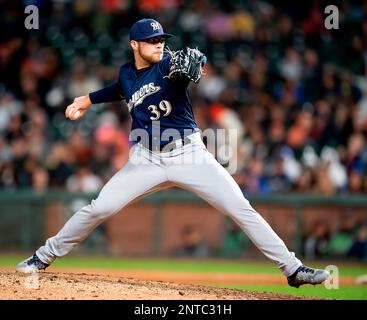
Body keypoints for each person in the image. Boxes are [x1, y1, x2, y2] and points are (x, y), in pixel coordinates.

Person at [16, 18, 329, 288]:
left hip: (189, 155)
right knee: (99, 209)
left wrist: (198, 61)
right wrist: (86, 99)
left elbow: (194, 60)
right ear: (134, 45)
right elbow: (119, 89)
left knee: (240, 207)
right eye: (152, 41)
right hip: (145, 160)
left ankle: (292, 268)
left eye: (161, 39)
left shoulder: (169, 65)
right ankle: (42, 257)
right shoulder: (127, 73)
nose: (159, 44)